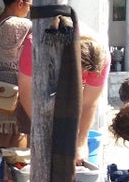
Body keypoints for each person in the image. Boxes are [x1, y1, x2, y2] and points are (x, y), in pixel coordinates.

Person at [18, 30, 109, 164]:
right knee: (40, 146)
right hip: (39, 87)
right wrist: (44, 129)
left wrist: (81, 142)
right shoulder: (36, 45)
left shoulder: (101, 57)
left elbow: (89, 103)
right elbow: (26, 93)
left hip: (68, 98)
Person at [0, 0, 33, 148]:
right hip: (17, 86)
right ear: (20, 3)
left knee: (2, 130)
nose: (29, 10)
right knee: (19, 131)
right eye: (29, 5)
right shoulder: (22, 25)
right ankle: (14, 165)